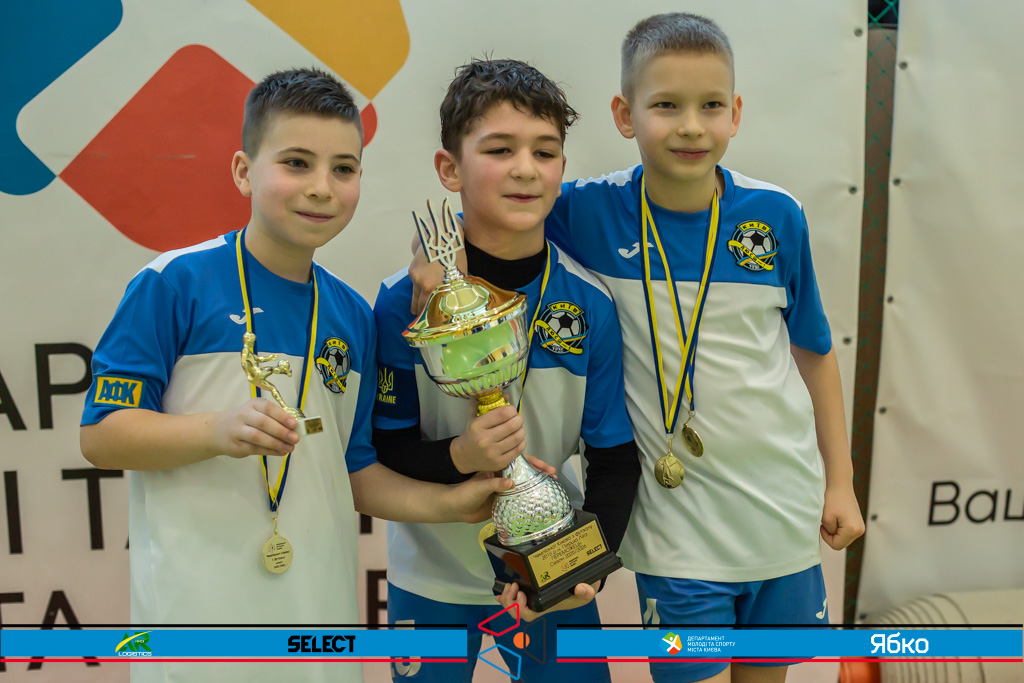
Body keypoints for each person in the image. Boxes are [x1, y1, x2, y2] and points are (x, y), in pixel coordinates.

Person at [412, 15, 866, 683]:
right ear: (626, 116)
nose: (691, 126)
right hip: (675, 529)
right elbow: (490, 211)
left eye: (711, 106)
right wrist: (430, 260)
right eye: (667, 106)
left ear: (736, 113)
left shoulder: (777, 216)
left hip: (781, 506)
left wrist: (841, 482)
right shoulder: (585, 211)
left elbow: (815, 352)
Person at [80, 67, 509, 683]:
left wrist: (449, 504)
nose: (321, 188)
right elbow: (101, 435)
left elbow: (353, 470)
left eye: (344, 168)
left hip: (320, 626)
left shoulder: (351, 316)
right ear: (243, 171)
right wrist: (216, 430)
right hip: (195, 628)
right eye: (297, 163)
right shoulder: (173, 283)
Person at [373, 58, 640, 683]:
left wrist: (586, 569)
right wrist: (461, 457)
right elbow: (386, 447)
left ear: (562, 168)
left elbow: (614, 458)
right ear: (450, 169)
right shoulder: (402, 302)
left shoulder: (590, 303)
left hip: (554, 572)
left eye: (544, 152)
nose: (525, 168)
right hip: (431, 580)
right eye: (499, 149)